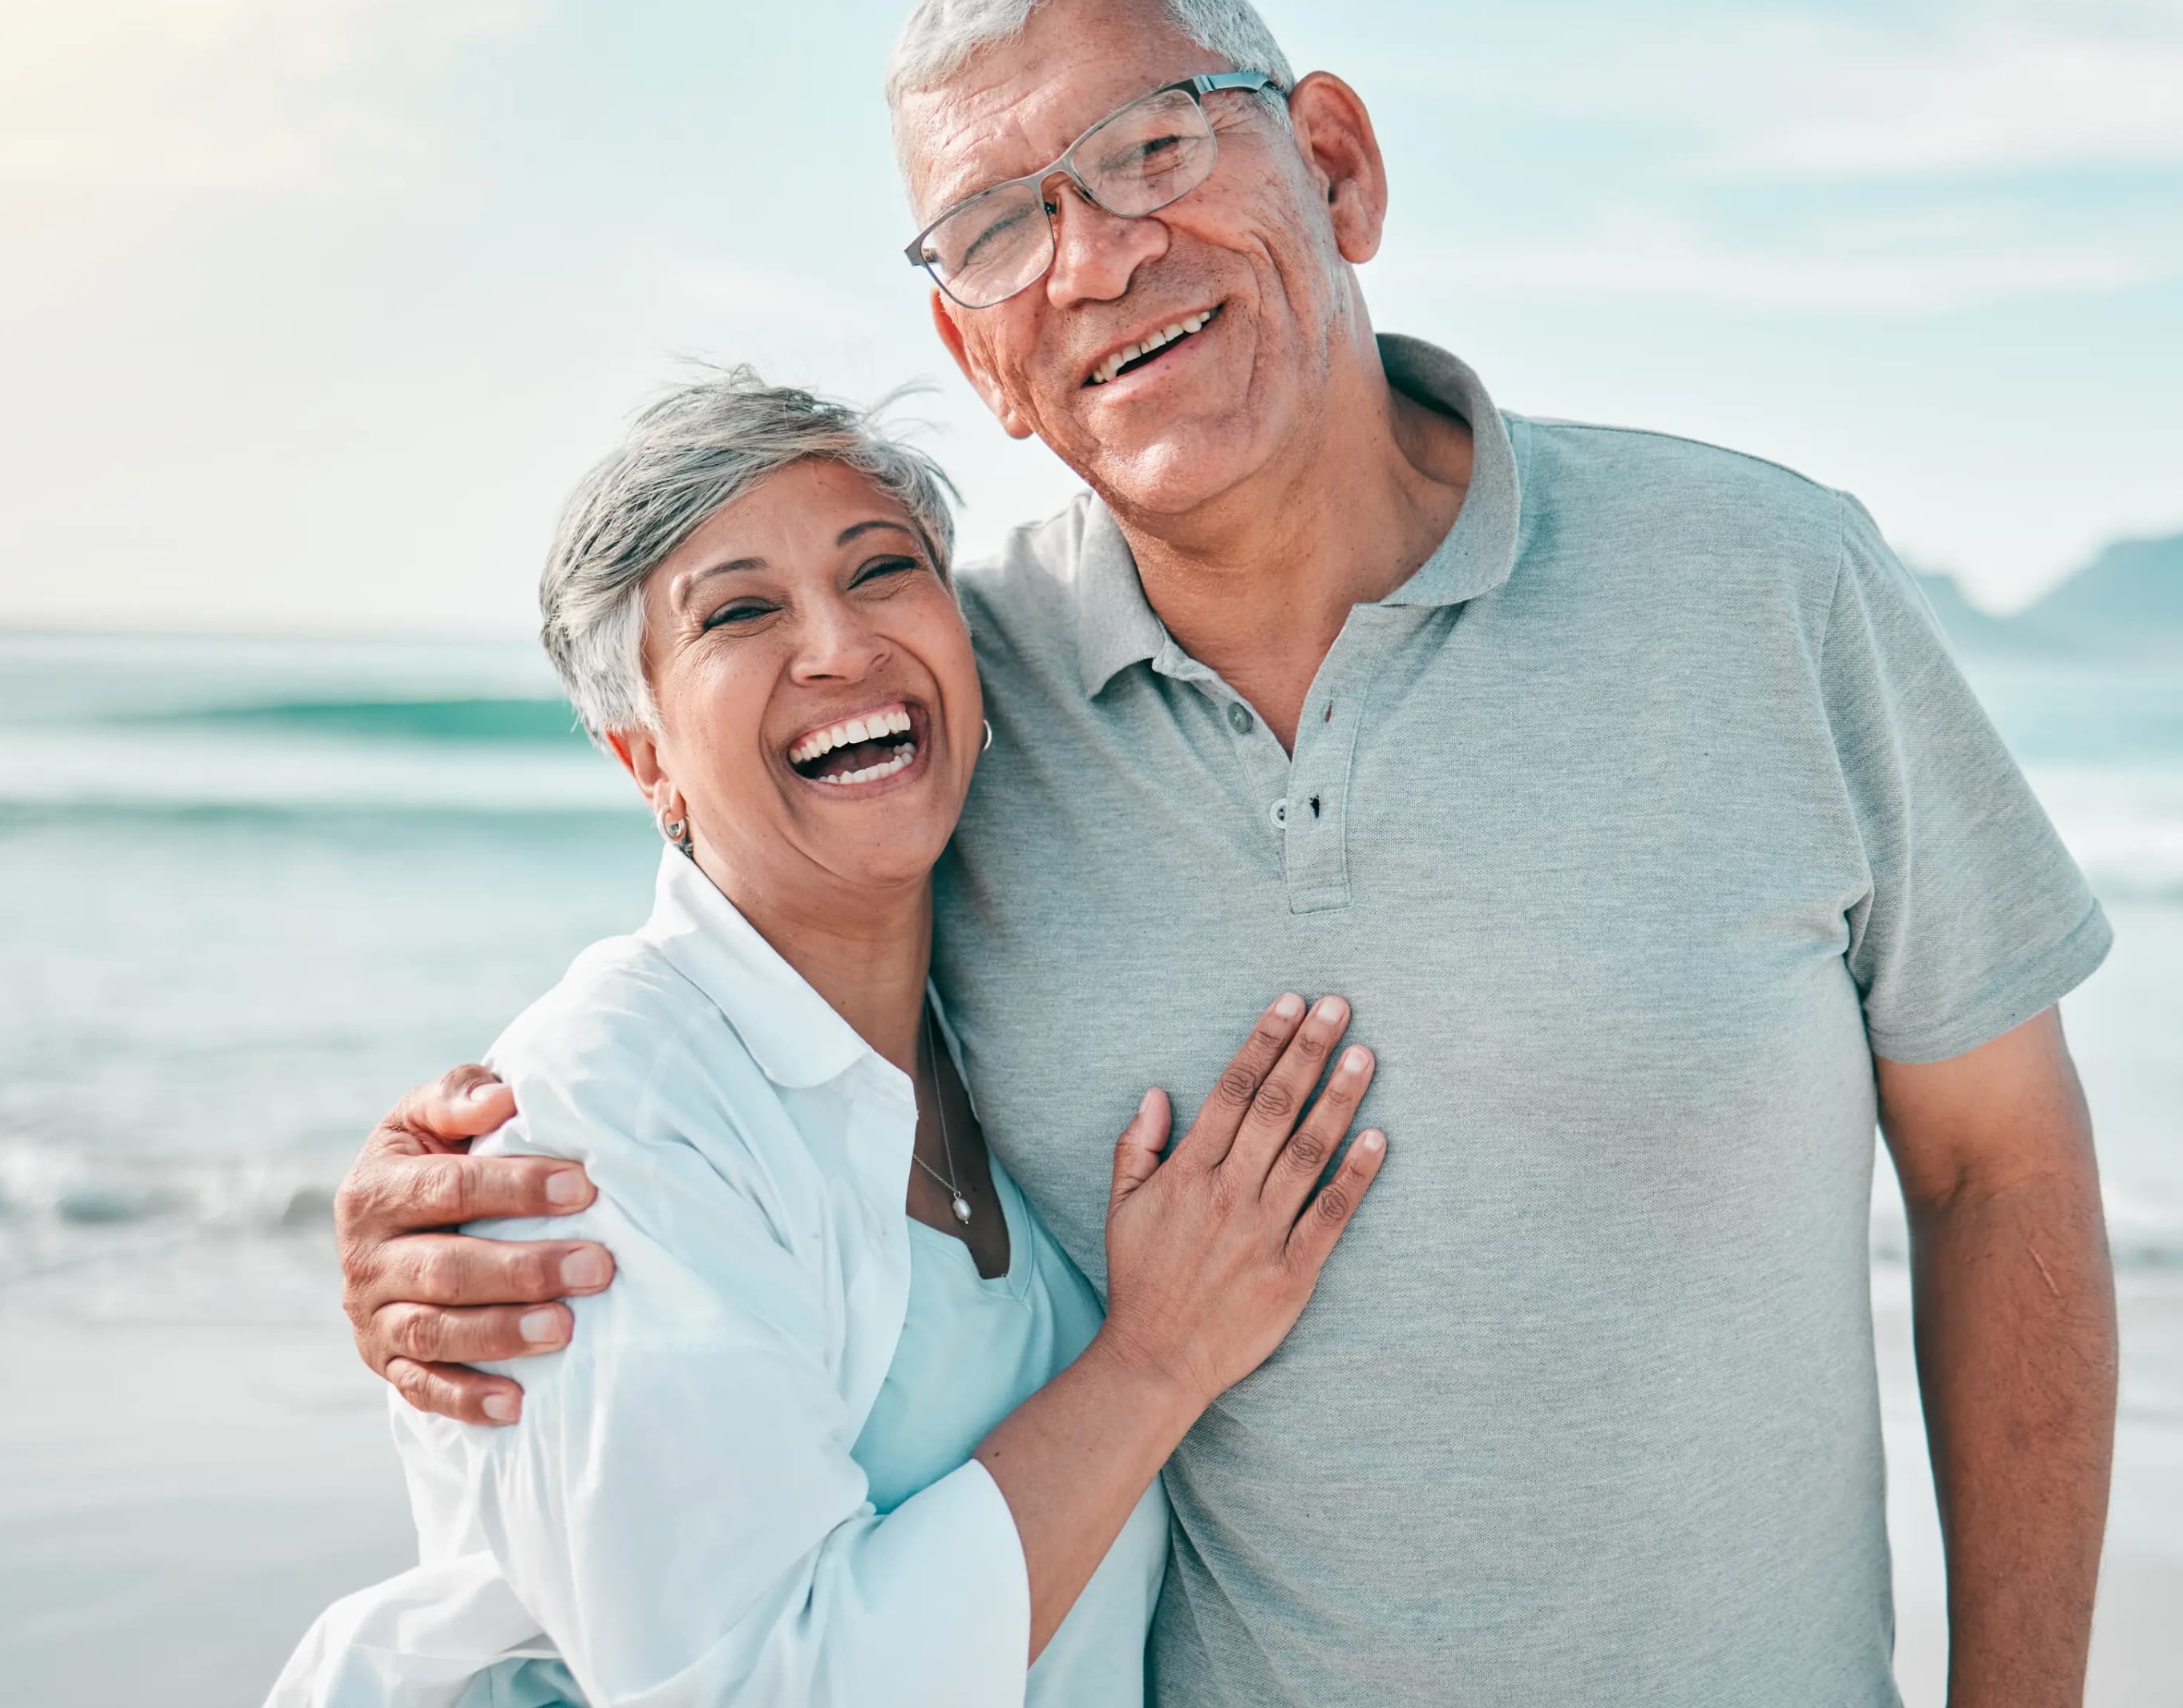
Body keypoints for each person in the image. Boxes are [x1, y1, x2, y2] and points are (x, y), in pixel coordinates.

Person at [326, 0, 2119, 1707]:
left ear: (1334, 164)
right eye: (1001, 225)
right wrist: (459, 1214)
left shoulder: (1768, 584)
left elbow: (2002, 1164)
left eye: (1155, 147)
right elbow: (732, 976)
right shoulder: (955, 686)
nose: (1098, 256)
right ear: (976, 352)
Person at [270, 376, 1385, 1706]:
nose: (841, 647)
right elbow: (769, 1686)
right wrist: (1157, 1364)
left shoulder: (986, 1019)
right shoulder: (600, 1120)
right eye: (741, 611)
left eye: (883, 573)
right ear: (645, 761)